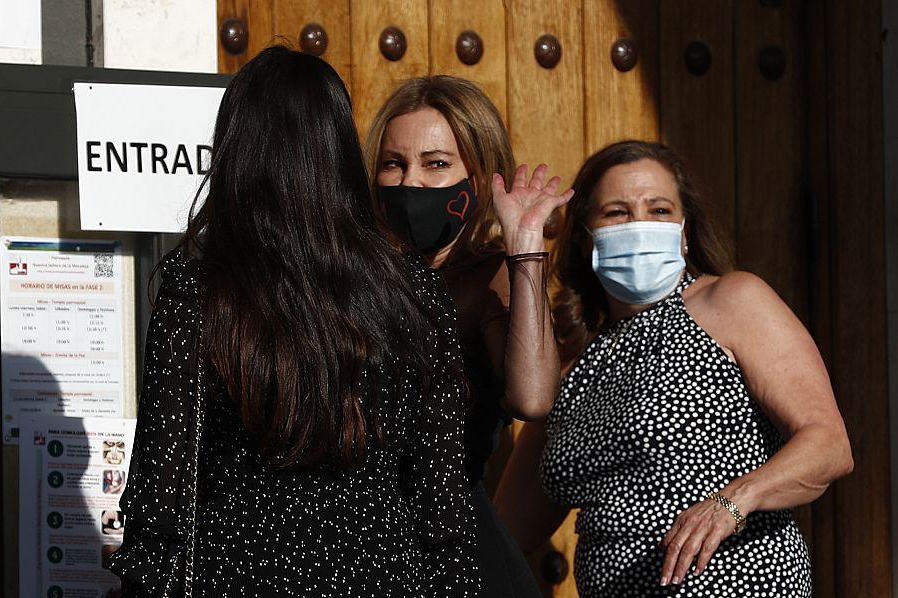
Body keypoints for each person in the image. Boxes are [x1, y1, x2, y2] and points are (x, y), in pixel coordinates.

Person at [107, 46, 477, 597]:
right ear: (340, 153)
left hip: (237, 574)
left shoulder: (201, 289)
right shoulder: (413, 290)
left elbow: (158, 498)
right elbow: (442, 499)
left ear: (236, 151)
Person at [504, 140, 853, 597]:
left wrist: (734, 502)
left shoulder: (729, 301)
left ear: (685, 232)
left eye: (659, 209)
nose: (639, 224)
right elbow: (509, 529)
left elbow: (828, 445)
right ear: (585, 235)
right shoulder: (572, 368)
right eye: (616, 212)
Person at [365, 76, 572, 597]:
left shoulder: (491, 277)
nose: (411, 182)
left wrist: (523, 244)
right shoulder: (360, 279)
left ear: (477, 180)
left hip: (452, 551)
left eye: (437, 164)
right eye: (394, 164)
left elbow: (533, 396)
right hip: (357, 545)